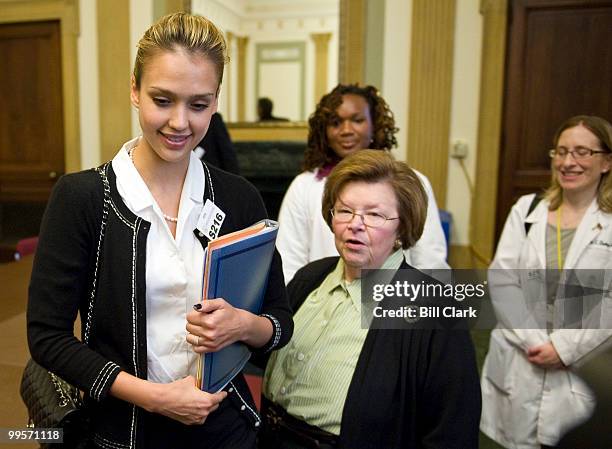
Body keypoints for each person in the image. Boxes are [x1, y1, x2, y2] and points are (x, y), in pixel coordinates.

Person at [26, 12, 293, 449]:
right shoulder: (83, 198)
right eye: (162, 100)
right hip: (124, 430)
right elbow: (47, 336)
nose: (179, 123)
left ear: (217, 100)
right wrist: (155, 398)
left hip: (226, 427)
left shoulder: (238, 197)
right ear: (134, 90)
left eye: (199, 104)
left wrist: (243, 325)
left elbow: (280, 322)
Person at [259, 150, 481, 449]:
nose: (355, 224)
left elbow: (452, 429)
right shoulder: (311, 276)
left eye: (374, 214)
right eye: (345, 211)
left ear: (402, 227)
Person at [481, 115, 612, 448]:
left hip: (583, 365)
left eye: (582, 152)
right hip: (522, 356)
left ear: (606, 161)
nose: (568, 162)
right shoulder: (528, 210)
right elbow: (503, 279)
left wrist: (565, 347)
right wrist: (533, 339)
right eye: (561, 151)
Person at [276, 83, 448, 283]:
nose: (346, 130)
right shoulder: (304, 186)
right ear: (324, 132)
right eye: (335, 122)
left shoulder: (412, 183)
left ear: (375, 125)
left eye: (357, 120)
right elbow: (288, 263)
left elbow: (430, 262)